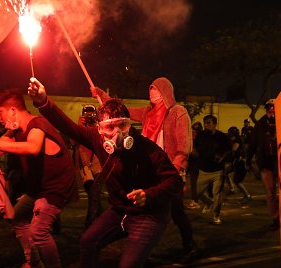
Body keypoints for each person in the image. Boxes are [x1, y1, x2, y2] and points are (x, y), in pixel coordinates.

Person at [27, 77, 183, 267]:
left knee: (128, 265)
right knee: (88, 242)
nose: (117, 133)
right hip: (120, 211)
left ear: (129, 125)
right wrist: (43, 102)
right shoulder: (96, 139)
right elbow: (68, 127)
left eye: (122, 125)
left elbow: (175, 181)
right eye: (109, 127)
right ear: (99, 129)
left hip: (149, 215)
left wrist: (149, 194)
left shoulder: (147, 148)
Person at [92, 77, 199, 262]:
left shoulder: (177, 112)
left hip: (168, 167)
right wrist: (102, 95)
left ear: (165, 91)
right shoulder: (148, 112)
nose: (151, 92)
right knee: (144, 208)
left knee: (175, 209)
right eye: (150, 88)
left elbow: (184, 144)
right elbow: (126, 113)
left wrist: (177, 167)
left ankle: (189, 244)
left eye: (155, 89)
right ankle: (141, 249)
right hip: (148, 169)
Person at [0, 88, 78, 268]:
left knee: (39, 232)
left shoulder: (37, 124)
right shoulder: (15, 130)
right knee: (17, 217)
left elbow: (33, 147)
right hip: (37, 188)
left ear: (13, 111)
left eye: (0, 113)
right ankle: (34, 262)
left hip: (55, 188)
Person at [193, 115, 231, 225]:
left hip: (217, 171)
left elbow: (228, 150)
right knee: (198, 193)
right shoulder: (201, 135)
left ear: (214, 124)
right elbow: (195, 146)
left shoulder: (222, 137)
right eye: (205, 123)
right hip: (203, 170)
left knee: (217, 195)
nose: (206, 125)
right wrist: (194, 151)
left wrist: (222, 158)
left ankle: (216, 215)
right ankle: (208, 203)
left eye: (209, 123)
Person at [247, 99, 279, 230]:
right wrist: (248, 160)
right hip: (266, 162)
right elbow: (253, 143)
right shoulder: (260, 124)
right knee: (271, 192)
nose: (272, 112)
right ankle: (275, 218)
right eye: (270, 109)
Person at [73, 104, 104, 228]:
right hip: (85, 167)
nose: (89, 117)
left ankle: (89, 225)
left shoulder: (100, 127)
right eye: (87, 115)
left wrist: (98, 125)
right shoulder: (80, 127)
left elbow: (103, 142)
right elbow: (72, 142)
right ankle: (103, 219)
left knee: (94, 194)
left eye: (92, 114)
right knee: (92, 194)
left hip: (98, 165)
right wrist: (78, 126)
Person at [225, 126, 251, 203]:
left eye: (230, 133)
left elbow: (234, 149)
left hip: (241, 163)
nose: (229, 134)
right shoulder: (232, 140)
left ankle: (247, 195)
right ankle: (232, 189)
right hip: (235, 162)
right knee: (225, 173)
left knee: (237, 181)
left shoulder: (237, 140)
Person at [187, 122, 203, 209]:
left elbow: (196, 153)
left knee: (195, 182)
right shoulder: (193, 138)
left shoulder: (201, 139)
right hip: (191, 162)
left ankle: (196, 200)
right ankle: (196, 199)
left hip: (197, 163)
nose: (193, 132)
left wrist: (193, 148)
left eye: (196, 130)